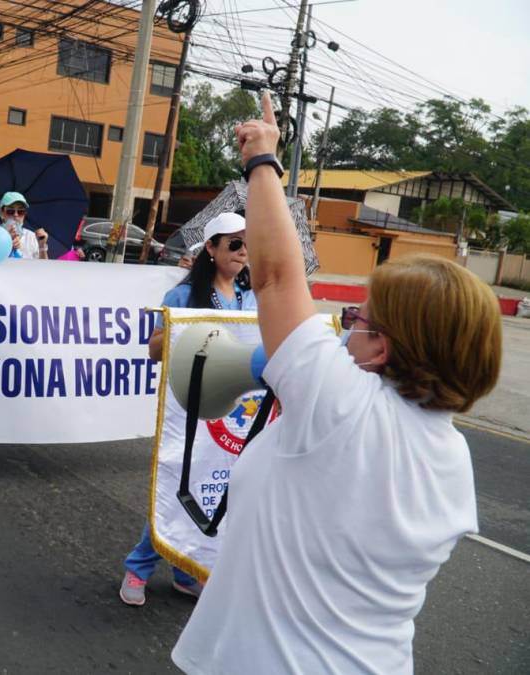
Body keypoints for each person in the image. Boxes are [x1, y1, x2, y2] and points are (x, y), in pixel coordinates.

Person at [170, 92, 502, 674]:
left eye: (356, 318)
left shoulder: (343, 407)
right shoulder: (452, 456)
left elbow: (275, 278)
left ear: (385, 347)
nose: (342, 328)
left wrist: (262, 159)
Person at [120, 211, 257, 606]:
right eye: (234, 243)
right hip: (191, 407)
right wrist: (184, 329)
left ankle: (185, 570)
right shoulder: (183, 298)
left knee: (215, 492)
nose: (242, 251)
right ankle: (138, 567)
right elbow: (154, 350)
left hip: (235, 411)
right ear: (210, 249)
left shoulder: (251, 298)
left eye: (246, 244)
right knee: (178, 489)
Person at [0, 192, 49, 260]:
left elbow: (44, 269)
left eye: (20, 211)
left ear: (24, 215)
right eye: (10, 211)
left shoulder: (32, 237)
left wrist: (42, 246)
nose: (16, 215)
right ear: (2, 213)